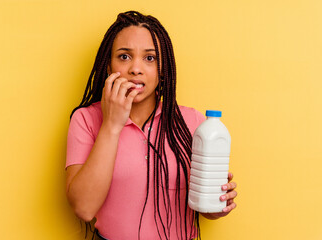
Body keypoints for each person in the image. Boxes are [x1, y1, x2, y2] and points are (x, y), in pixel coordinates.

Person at [65, 11, 237, 240]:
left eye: (150, 58)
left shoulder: (193, 123)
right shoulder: (86, 120)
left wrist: (218, 204)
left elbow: (207, 207)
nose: (136, 69)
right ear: (108, 65)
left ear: (163, 70)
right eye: (124, 56)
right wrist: (112, 125)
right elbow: (84, 209)